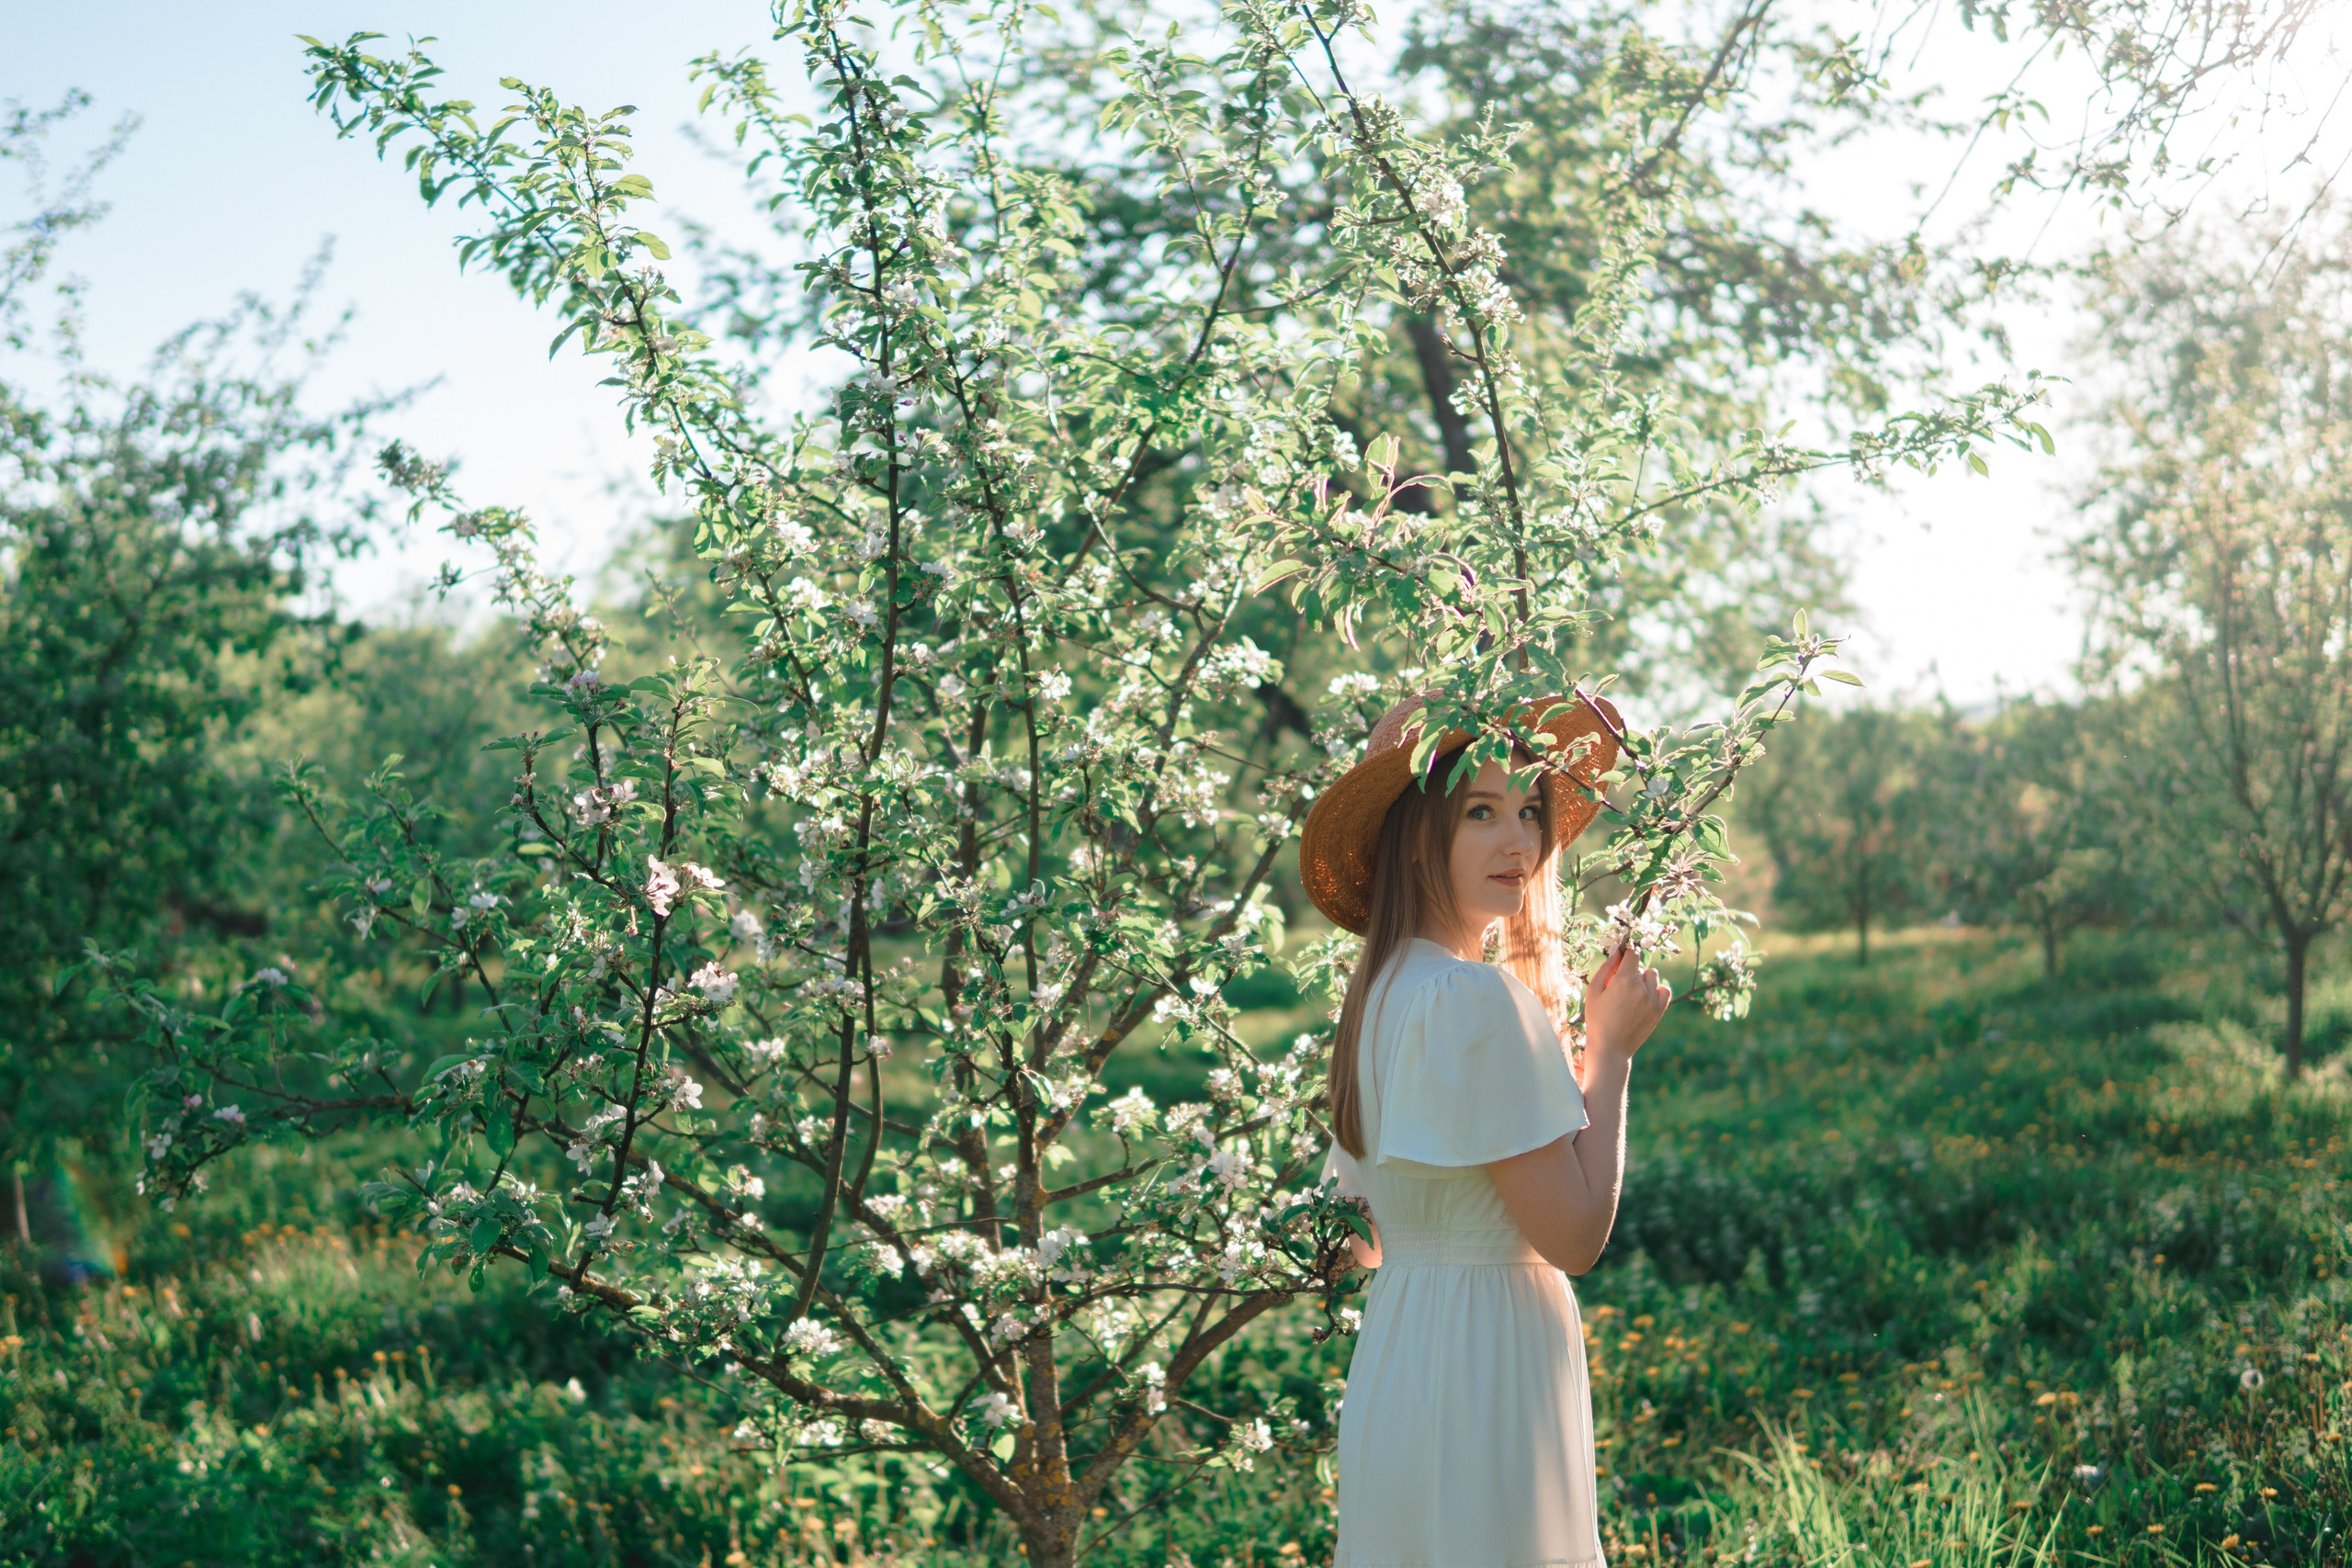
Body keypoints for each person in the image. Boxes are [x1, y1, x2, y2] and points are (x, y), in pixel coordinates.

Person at [1298, 694, 1674, 1568]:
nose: (1520, 843)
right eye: (1480, 811)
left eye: (1529, 810)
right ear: (1414, 832)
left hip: (1398, 1361)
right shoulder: (1473, 998)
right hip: (1488, 1366)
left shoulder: (1377, 998)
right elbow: (1575, 1237)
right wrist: (1611, 1052)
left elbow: (1348, 1244)